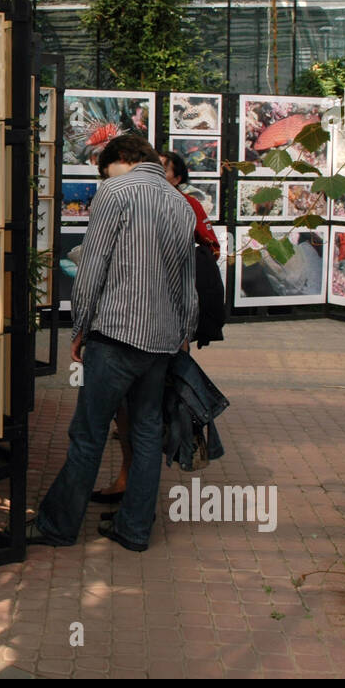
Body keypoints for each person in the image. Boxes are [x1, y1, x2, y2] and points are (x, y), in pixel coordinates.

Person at [27, 134, 198, 552]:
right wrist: (183, 334)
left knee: (89, 433)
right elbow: (188, 282)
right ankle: (134, 529)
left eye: (104, 169)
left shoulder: (116, 191)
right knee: (144, 435)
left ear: (121, 159)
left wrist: (79, 326)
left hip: (116, 333)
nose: (104, 177)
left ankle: (58, 526)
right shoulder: (180, 202)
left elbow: (93, 265)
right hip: (161, 340)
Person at [90, 148, 224, 505]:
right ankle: (130, 491)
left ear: (178, 178)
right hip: (147, 327)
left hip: (159, 327)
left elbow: (208, 254)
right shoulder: (132, 198)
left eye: (163, 170)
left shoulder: (184, 206)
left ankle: (131, 490)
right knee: (134, 415)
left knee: (145, 415)